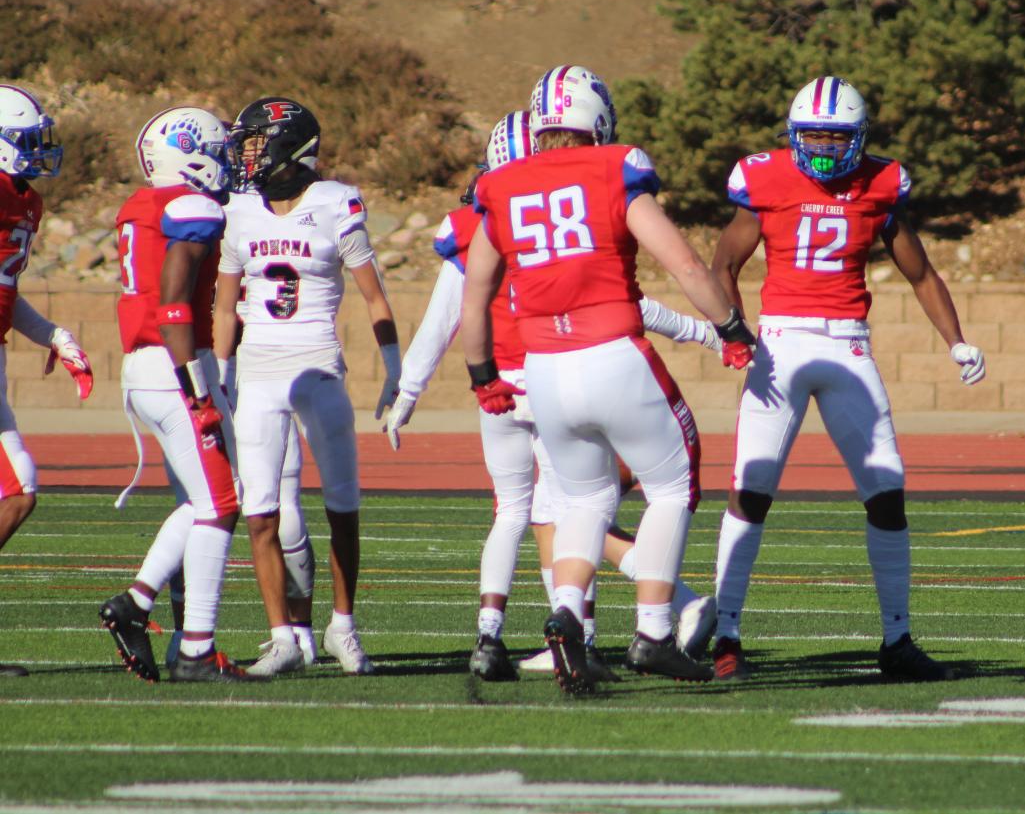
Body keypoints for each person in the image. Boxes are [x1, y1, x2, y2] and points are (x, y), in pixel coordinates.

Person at [386, 110, 719, 680]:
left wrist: (417, 389)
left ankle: (511, 632)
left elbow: (452, 317)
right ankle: (648, 616)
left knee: (531, 512)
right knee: (598, 500)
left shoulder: (482, 216)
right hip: (576, 367)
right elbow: (629, 298)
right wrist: (714, 330)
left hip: (523, 381)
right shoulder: (587, 193)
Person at [460, 65, 754, 695]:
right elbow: (684, 263)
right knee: (673, 484)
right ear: (595, 118)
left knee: (584, 500)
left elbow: (476, 293)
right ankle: (652, 631)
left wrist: (483, 376)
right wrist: (730, 328)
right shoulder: (613, 167)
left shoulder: (501, 184)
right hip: (614, 353)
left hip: (544, 370)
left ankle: (567, 613)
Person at [707, 76, 985, 683]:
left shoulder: (882, 184)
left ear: (859, 138)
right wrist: (735, 332)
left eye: (837, 138)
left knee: (887, 490)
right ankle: (725, 633)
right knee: (750, 489)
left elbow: (921, 274)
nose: (826, 149)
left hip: (849, 343)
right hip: (781, 344)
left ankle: (896, 639)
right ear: (793, 134)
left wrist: (956, 340)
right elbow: (725, 263)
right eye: (815, 137)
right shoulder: (766, 178)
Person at [212, 96, 402, 677]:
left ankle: (343, 625)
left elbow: (374, 296)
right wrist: (221, 376)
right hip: (261, 373)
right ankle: (283, 639)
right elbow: (225, 306)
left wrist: (396, 370)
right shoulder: (240, 210)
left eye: (254, 141)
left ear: (288, 145)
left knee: (342, 505)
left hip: (319, 369)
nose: (245, 152)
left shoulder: (333, 202)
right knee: (261, 511)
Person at [99, 106, 249, 682]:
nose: (225, 164)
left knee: (205, 499)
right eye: (216, 152)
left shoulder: (142, 205)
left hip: (145, 368)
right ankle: (195, 650)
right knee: (221, 507)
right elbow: (173, 301)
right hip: (174, 364)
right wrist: (198, 386)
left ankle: (137, 604)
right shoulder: (192, 206)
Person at [0, 84, 93, 678]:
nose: (39, 152)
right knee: (18, 490)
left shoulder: (24, 201)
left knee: (19, 491)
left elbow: (6, 290)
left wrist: (54, 336)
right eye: (26, 142)